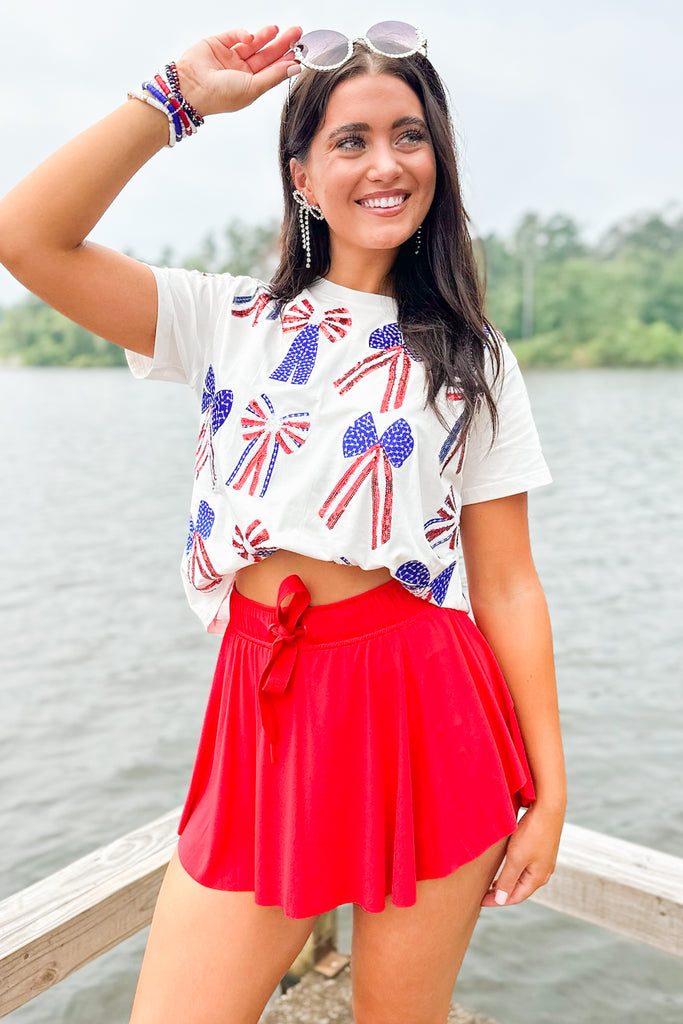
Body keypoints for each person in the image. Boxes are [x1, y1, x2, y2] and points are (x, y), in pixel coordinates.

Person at [0, 22, 566, 1024]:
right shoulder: (227, 317)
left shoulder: (471, 355)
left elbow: (510, 583)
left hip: (424, 701)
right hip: (263, 708)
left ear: (436, 155)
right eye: (349, 141)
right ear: (300, 172)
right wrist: (176, 95)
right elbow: (26, 237)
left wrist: (550, 792)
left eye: (408, 134)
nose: (385, 163)